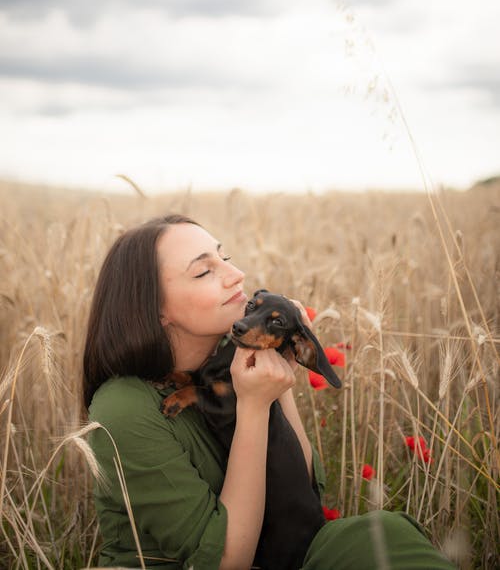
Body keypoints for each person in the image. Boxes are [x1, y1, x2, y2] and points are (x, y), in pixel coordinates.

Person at [83, 214, 456, 570]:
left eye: (224, 256)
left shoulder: (222, 362)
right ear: (156, 309)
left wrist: (280, 375)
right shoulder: (123, 408)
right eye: (203, 270)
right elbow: (226, 561)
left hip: (286, 551)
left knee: (385, 533)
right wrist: (253, 405)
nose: (236, 274)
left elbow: (306, 482)